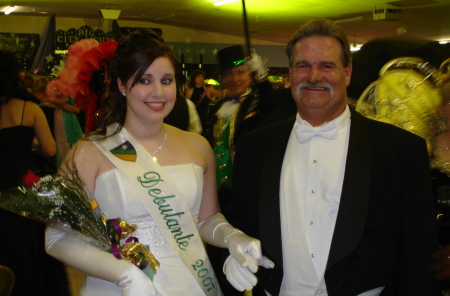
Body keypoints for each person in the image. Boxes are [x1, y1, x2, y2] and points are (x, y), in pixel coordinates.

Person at [45, 29, 271, 296]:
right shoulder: (90, 151)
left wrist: (232, 237)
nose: (158, 92)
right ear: (121, 85)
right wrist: (126, 275)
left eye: (166, 80)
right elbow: (56, 236)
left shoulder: (197, 146)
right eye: (144, 80)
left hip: (188, 283)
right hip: (117, 287)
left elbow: (206, 218)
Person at [222, 18, 439, 295]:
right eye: (303, 65)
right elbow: (238, 227)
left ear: (347, 73)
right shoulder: (255, 146)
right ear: (290, 72)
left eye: (326, 65)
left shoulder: (400, 150)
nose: (314, 76)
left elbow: (418, 255)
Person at [0, 50, 70, 296]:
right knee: (28, 245)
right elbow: (50, 148)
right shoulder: (29, 109)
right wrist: (26, 143)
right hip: (22, 182)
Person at [203, 45, 273, 205]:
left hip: (248, 191)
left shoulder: (258, 104)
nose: (234, 79)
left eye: (240, 72)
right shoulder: (216, 108)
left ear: (250, 74)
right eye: (228, 74)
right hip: (217, 193)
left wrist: (262, 79)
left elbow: (275, 104)